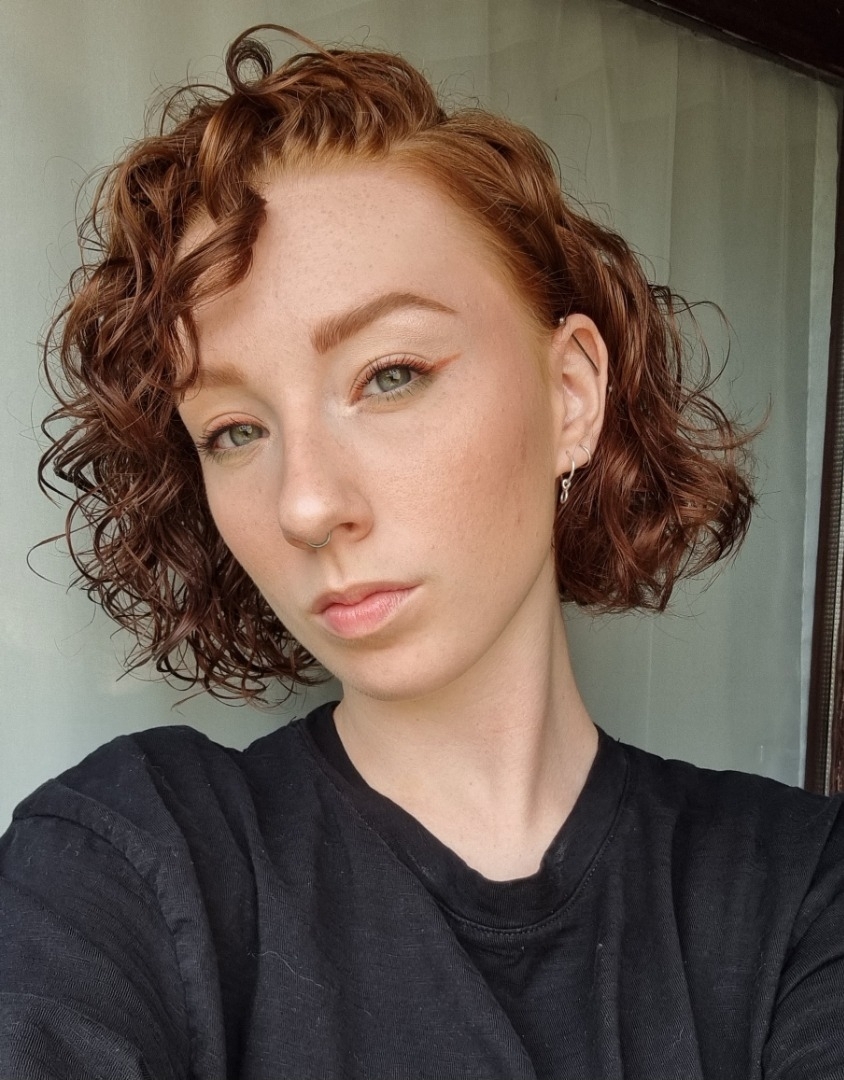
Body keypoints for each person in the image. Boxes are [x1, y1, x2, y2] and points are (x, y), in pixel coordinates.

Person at [1, 22, 841, 1080]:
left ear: (570, 394)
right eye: (234, 431)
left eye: (390, 374)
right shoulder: (128, 863)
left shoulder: (798, 891)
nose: (306, 504)